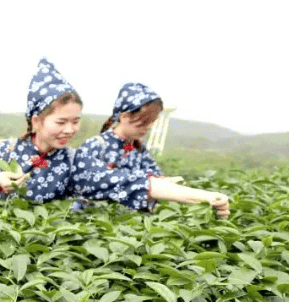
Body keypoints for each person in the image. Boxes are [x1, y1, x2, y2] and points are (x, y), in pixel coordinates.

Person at [71, 83, 230, 217]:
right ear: (125, 116)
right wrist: (201, 196)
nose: (149, 127)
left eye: (152, 122)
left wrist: (172, 184)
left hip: (128, 222)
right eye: (144, 122)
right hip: (94, 221)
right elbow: (133, 184)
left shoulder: (138, 149)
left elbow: (156, 180)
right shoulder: (95, 146)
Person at [0, 58, 82, 207]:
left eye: (76, 122)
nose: (69, 130)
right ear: (36, 121)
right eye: (61, 122)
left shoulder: (74, 161)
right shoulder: (7, 150)